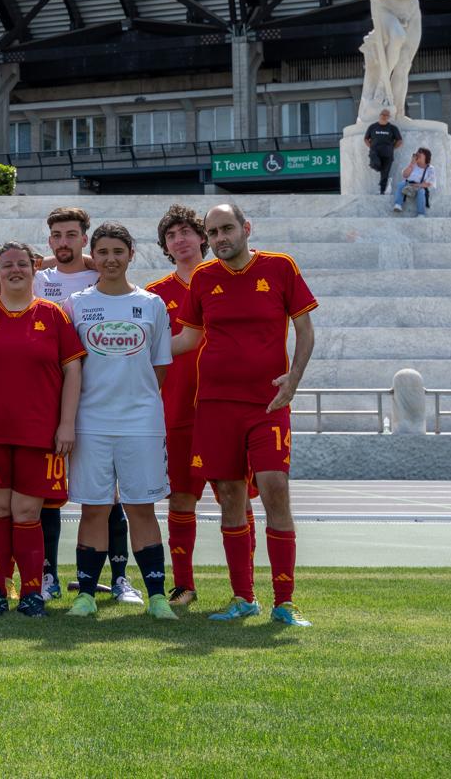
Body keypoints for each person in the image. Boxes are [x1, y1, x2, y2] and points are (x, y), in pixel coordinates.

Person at [173, 203, 318, 626]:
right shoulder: (202, 278)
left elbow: (305, 331)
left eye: (227, 228)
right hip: (215, 405)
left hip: (267, 404)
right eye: (212, 232)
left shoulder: (280, 268)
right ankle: (244, 598)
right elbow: (188, 337)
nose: (220, 238)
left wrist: (293, 379)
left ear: (245, 228)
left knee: (275, 489)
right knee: (231, 498)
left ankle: (285, 601)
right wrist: (132, 354)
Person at [0, 241, 84, 617]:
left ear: (34, 270)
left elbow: (73, 370)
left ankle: (31, 592)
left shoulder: (54, 315)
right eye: (8, 265)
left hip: (39, 432)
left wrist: (67, 423)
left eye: (23, 264)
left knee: (26, 511)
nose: (16, 270)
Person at [145, 205, 259, 607]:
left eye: (186, 232)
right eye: (171, 235)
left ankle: (244, 591)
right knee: (180, 499)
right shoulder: (155, 297)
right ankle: (184, 585)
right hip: (177, 412)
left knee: (236, 498)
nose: (180, 240)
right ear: (165, 247)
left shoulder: (231, 282)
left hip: (229, 410)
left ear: (203, 238)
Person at [64, 223, 178, 621]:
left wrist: (135, 398)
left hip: (140, 422)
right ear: (93, 256)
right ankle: (86, 595)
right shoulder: (76, 304)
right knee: (94, 509)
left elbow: (159, 368)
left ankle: (158, 596)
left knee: (141, 507)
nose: (111, 259)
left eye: (118, 251)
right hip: (90, 422)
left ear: (131, 254)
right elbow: (70, 368)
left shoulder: (152, 305)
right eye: (104, 252)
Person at [31, 206, 131, 602]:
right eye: (56, 235)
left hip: (101, 396)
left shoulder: (102, 271)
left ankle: (120, 577)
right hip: (50, 396)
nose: (63, 242)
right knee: (48, 492)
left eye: (71, 235)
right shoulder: (39, 277)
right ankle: (49, 574)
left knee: (109, 494)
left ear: (84, 238)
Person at [364, 109, 403, 195]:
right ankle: (381, 173)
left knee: (385, 174)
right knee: (376, 164)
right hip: (375, 152)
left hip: (388, 154)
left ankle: (382, 190)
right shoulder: (372, 127)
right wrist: (371, 147)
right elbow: (366, 138)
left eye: (386, 115)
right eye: (383, 114)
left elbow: (399, 140)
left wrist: (392, 148)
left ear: (389, 117)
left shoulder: (393, 128)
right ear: (380, 115)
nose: (384, 116)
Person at [393, 147, 436, 217]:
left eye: (420, 152)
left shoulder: (430, 168)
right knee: (401, 184)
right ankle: (398, 204)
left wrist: (417, 185)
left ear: (426, 156)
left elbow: (429, 183)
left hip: (420, 186)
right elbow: (405, 175)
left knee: (422, 192)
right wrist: (411, 164)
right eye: (417, 152)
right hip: (408, 184)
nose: (417, 154)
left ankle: (421, 214)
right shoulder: (414, 165)